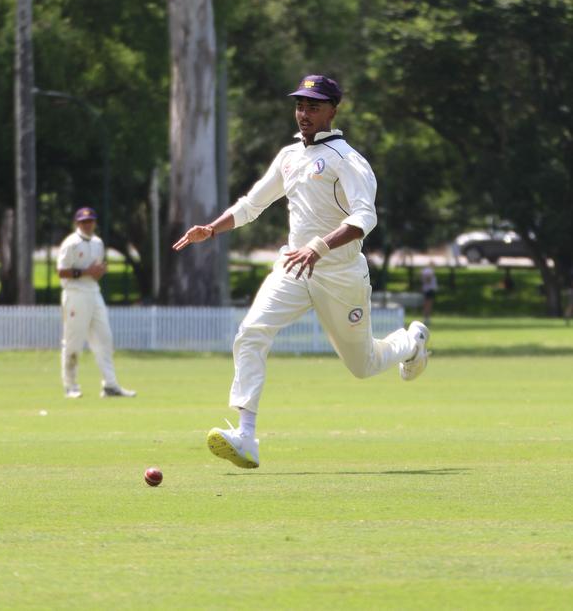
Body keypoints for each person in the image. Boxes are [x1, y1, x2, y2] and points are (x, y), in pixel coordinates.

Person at [173, 74, 429, 469]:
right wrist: (212, 228)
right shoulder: (289, 156)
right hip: (294, 267)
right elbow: (251, 205)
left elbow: (366, 217)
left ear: (332, 110)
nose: (304, 113)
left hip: (341, 275)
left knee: (362, 366)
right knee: (251, 332)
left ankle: (410, 343)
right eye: (300, 105)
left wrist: (320, 246)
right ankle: (245, 435)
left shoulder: (348, 159)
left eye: (313, 106)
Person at [57, 207, 136, 399]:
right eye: (84, 221)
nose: (88, 224)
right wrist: (86, 272)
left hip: (93, 292)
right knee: (73, 342)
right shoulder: (71, 243)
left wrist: (98, 272)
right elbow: (62, 271)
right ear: (77, 223)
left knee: (104, 339)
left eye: (90, 221)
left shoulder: (98, 243)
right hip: (75, 294)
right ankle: (71, 386)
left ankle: (110, 385)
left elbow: (94, 271)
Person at [420, 261, 438, 325]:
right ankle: (426, 318)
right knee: (428, 305)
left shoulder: (425, 270)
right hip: (429, 290)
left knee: (426, 304)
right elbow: (428, 279)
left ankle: (426, 318)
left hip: (427, 290)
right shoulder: (430, 271)